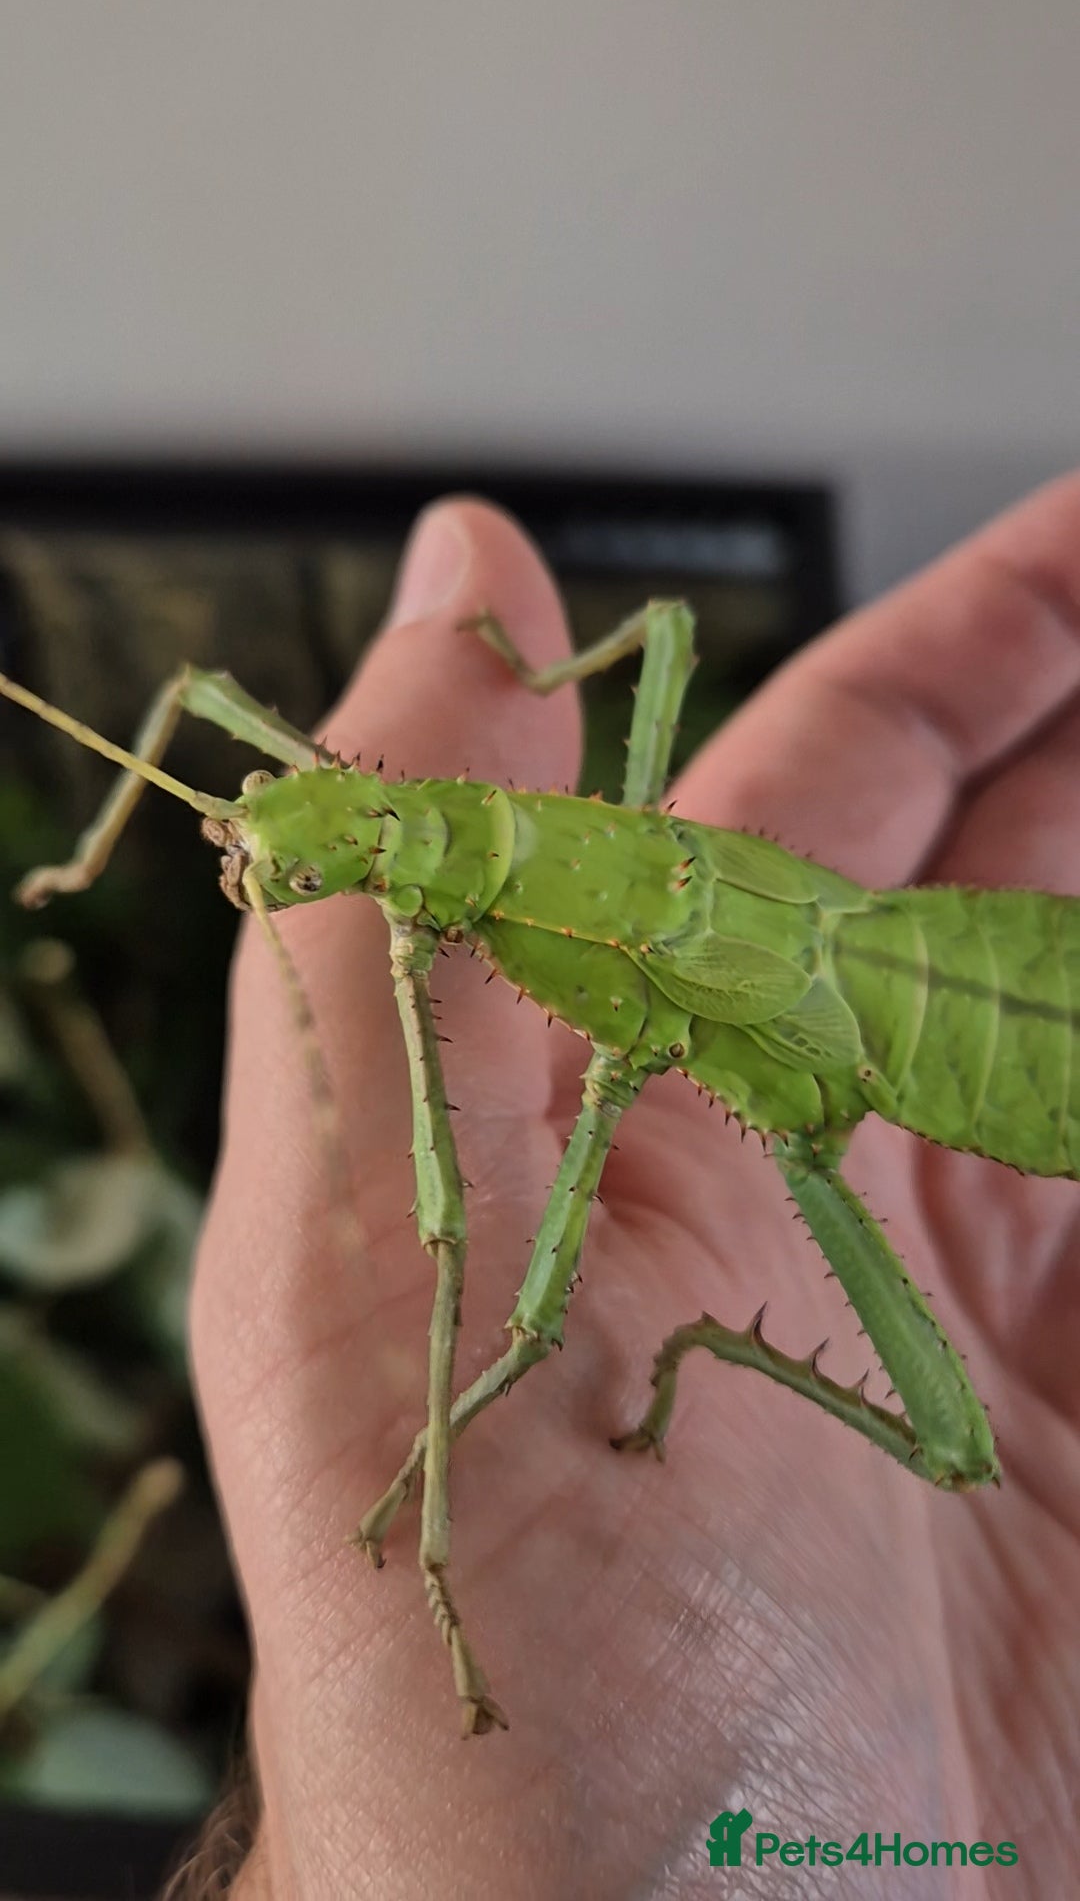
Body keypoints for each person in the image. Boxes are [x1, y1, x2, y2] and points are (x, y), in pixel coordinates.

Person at [175, 482, 1080, 1895]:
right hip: (913, 958)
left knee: (955, 1446)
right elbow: (656, 623)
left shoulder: (584, 1011)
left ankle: (710, 1349)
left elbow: (531, 1326)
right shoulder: (522, 867)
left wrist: (681, 1350)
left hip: (966, 1015)